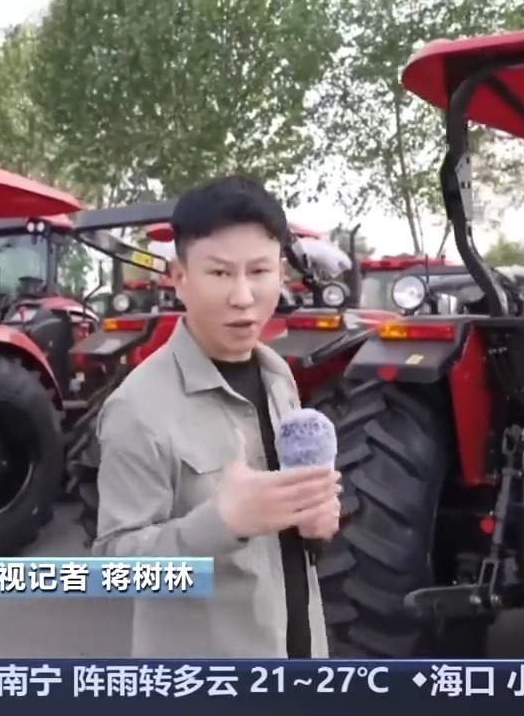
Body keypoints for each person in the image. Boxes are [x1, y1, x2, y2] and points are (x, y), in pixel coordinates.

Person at [91, 176, 340, 658]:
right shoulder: (137, 408)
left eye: (259, 271)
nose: (243, 296)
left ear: (281, 274)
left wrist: (318, 520)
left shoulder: (277, 376)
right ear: (180, 277)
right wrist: (221, 522)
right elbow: (113, 571)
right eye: (221, 273)